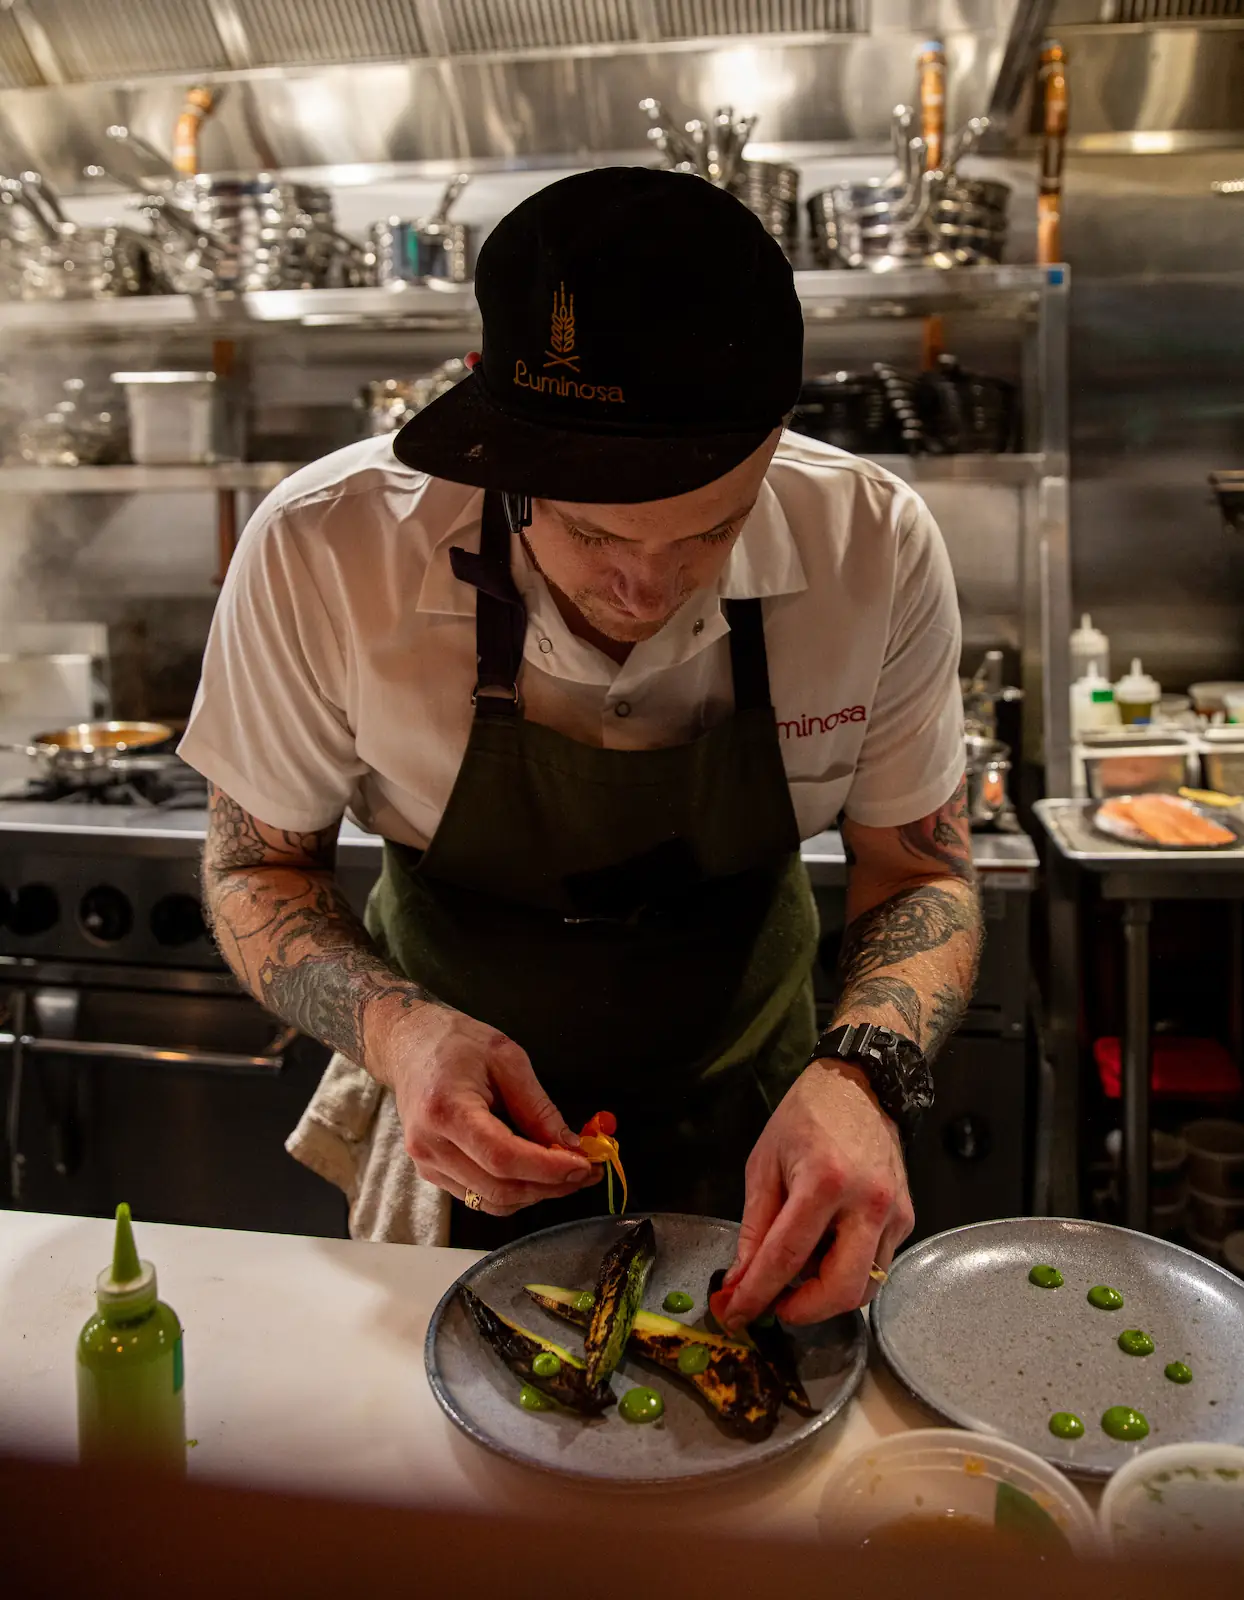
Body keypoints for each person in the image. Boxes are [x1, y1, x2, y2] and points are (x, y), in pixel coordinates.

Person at [180, 167, 982, 1332]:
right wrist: (398, 1035)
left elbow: (921, 870)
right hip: (447, 1124)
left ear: (774, 443)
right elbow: (254, 870)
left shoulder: (870, 542)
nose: (645, 586)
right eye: (593, 530)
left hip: (767, 1113)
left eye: (712, 526)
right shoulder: (328, 549)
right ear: (497, 451)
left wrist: (861, 1075)